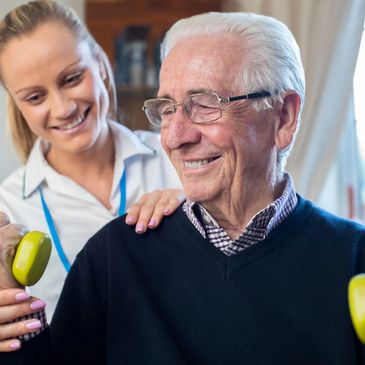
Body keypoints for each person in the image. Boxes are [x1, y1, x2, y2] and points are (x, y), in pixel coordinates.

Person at [1, 10, 365, 365]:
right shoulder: (109, 255)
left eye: (205, 104)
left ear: (283, 117)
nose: (174, 138)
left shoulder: (354, 258)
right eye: (167, 109)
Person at [0, 0, 184, 324]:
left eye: (71, 78)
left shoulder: (178, 160)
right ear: (17, 105)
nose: (63, 108)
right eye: (34, 97)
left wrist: (202, 206)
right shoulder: (9, 207)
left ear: (100, 63)